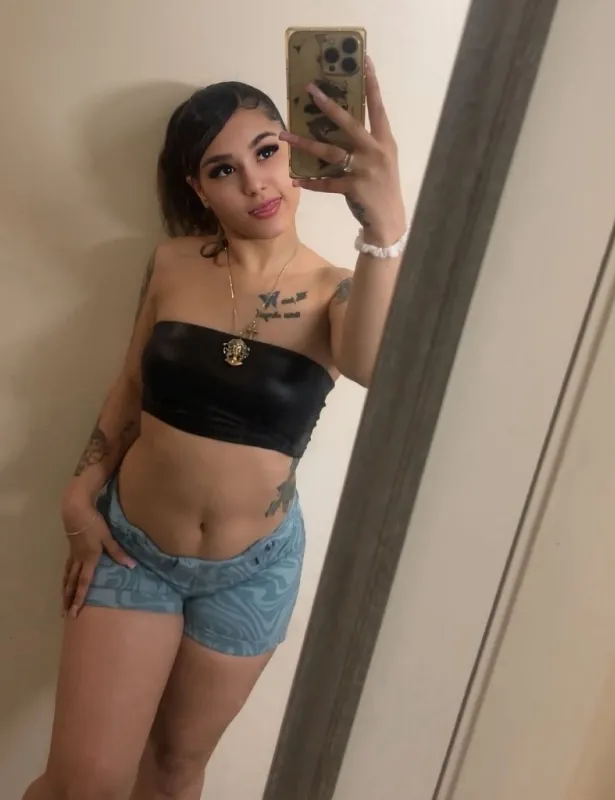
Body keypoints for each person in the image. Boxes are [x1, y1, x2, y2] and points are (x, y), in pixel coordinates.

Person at [23, 55, 407, 800]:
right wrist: (79, 491)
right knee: (82, 785)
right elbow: (131, 385)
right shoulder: (172, 263)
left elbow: (372, 367)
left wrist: (385, 229)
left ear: (293, 152)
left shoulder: (337, 290)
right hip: (132, 551)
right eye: (223, 169)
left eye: (266, 152)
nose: (256, 183)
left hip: (251, 573)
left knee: (175, 772)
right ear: (198, 188)